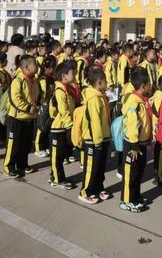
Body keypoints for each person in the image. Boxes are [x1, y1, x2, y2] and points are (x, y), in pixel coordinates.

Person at [120, 67, 152, 213]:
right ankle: (126, 200)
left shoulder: (142, 100)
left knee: (139, 172)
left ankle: (135, 196)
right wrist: (133, 145)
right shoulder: (134, 101)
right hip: (133, 145)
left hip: (142, 143)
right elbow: (133, 125)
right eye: (149, 84)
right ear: (144, 86)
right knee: (131, 174)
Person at [3, 55, 40, 178]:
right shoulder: (18, 80)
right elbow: (15, 99)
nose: (37, 66)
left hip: (29, 118)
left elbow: (36, 95)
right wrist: (28, 107)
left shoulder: (33, 80)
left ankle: (22, 164)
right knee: (14, 144)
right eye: (34, 64)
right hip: (16, 118)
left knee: (26, 144)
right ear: (26, 67)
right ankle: (8, 167)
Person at [79, 67, 111, 204]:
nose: (107, 82)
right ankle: (85, 191)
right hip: (93, 139)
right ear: (99, 82)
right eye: (105, 81)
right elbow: (94, 121)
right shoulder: (93, 99)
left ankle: (98, 188)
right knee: (91, 167)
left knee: (100, 166)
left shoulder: (100, 96)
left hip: (102, 137)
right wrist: (97, 140)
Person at [49, 61, 76, 189]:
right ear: (64, 76)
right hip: (58, 127)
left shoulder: (67, 89)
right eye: (72, 73)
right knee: (57, 156)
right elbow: (63, 111)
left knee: (60, 155)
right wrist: (70, 125)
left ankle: (56, 175)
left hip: (63, 126)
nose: (75, 74)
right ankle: (57, 179)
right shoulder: (60, 90)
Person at [34, 55, 56, 158]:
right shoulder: (43, 79)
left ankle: (45, 145)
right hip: (44, 104)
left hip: (50, 104)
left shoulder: (52, 78)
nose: (53, 69)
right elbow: (42, 94)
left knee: (47, 126)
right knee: (41, 126)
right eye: (52, 67)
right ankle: (38, 147)